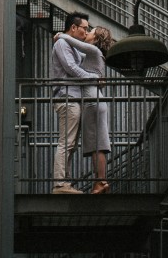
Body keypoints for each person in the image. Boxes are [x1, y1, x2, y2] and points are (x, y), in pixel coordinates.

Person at [55, 25, 117, 194]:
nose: (87, 33)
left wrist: (62, 35)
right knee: (98, 143)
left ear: (96, 39)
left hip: (91, 101)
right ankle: (100, 182)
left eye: (91, 32)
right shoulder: (94, 54)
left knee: (97, 144)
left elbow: (74, 43)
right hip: (94, 99)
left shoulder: (93, 51)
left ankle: (100, 182)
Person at [49, 12, 95, 194]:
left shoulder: (71, 45)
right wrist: (93, 78)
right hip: (66, 98)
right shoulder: (62, 44)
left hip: (72, 98)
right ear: (73, 27)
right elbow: (71, 68)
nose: (86, 31)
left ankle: (64, 183)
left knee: (71, 144)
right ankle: (60, 184)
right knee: (66, 142)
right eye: (85, 28)